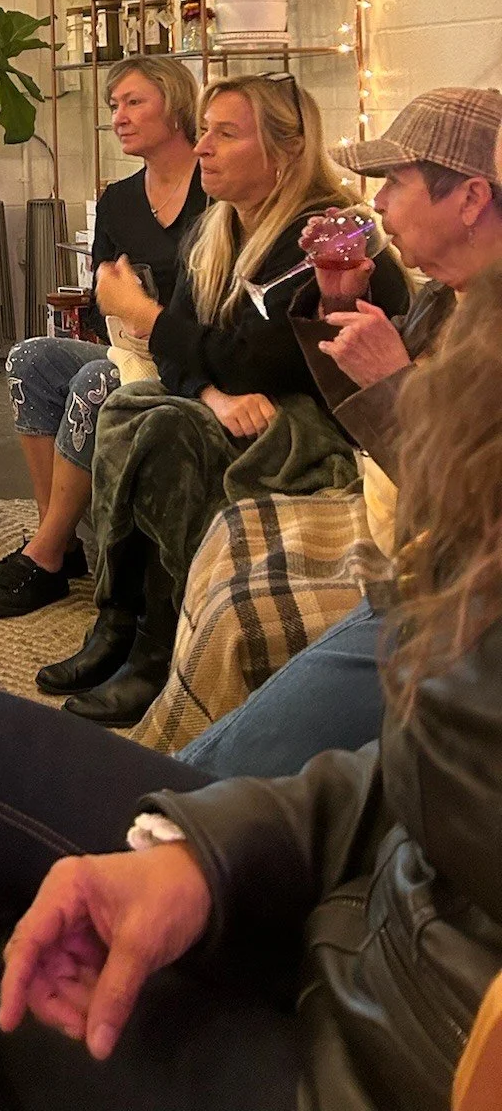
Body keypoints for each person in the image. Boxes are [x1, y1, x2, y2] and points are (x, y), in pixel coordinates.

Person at [0, 269, 502, 1111]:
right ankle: (97, 602)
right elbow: (419, 787)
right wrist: (204, 853)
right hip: (373, 933)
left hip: (365, 1057)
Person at [49, 72, 407, 727]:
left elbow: (261, 360)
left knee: (163, 429)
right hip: (242, 405)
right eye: (206, 129)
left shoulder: (334, 234)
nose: (204, 146)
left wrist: (149, 318)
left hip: (323, 425)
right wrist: (210, 393)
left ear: (285, 151)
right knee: (136, 409)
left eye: (226, 133)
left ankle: (157, 650)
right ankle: (118, 618)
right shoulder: (219, 231)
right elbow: (193, 360)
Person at [169, 84, 502, 777]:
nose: (375, 203)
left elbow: (471, 507)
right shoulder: (446, 296)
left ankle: (186, 795)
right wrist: (339, 310)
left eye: (395, 182)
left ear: (470, 199)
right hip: (396, 528)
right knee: (228, 535)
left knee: (240, 606)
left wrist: (392, 382)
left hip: (448, 593)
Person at [0, 57, 206, 619]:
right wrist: (123, 305)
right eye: (113, 107)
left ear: (176, 106)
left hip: (189, 356)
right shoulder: (119, 200)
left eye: (134, 103)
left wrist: (143, 310)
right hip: (131, 346)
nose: (119, 118)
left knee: (94, 378)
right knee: (28, 358)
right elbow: (103, 288)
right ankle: (58, 538)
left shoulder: (215, 189)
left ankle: (47, 556)